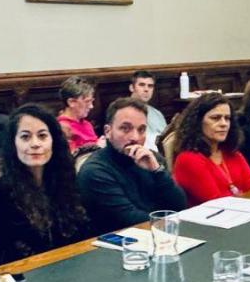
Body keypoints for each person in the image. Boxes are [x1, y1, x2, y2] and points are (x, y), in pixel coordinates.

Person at [0, 104, 91, 266]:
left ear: (53, 141)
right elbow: (10, 251)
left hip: (72, 268)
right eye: (25, 137)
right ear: (14, 144)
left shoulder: (67, 180)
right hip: (25, 275)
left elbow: (82, 233)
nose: (35, 144)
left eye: (42, 136)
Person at [76, 97, 187, 233]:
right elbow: (130, 220)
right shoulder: (94, 171)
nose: (135, 137)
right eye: (125, 128)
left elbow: (180, 205)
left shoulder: (152, 158)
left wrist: (157, 171)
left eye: (141, 130)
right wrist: (171, 223)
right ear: (108, 131)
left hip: (160, 234)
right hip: (118, 244)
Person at [170, 93, 250, 206]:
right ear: (198, 122)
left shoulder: (232, 153)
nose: (224, 124)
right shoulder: (188, 158)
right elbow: (218, 204)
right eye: (215, 118)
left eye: (227, 118)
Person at [55, 75, 101, 153]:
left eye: (91, 101)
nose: (91, 106)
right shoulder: (62, 127)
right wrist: (98, 146)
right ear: (71, 102)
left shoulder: (87, 124)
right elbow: (70, 157)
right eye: (87, 101)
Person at [129, 70, 166, 146]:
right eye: (142, 85)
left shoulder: (157, 113)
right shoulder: (122, 112)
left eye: (150, 86)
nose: (146, 89)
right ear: (132, 88)